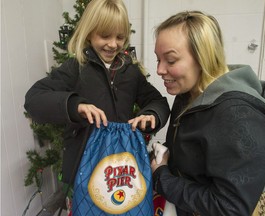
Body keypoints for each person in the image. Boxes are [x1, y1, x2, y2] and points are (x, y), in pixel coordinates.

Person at [24, 0, 170, 186]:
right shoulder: (76, 67)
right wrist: (74, 106)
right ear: (89, 32)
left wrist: (151, 115)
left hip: (123, 168)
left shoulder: (131, 72)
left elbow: (158, 102)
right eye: (105, 36)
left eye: (120, 37)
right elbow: (34, 99)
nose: (113, 44)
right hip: (84, 170)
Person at [151, 11, 265, 216]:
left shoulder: (239, 115)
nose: (159, 69)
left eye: (171, 60)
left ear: (203, 57)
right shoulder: (188, 95)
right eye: (158, 59)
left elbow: (229, 208)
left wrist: (162, 178)